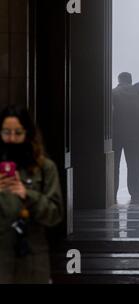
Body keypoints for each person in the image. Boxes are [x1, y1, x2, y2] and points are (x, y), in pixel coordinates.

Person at [0, 105, 64, 283]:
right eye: (6, 133)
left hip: (32, 260)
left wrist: (26, 194)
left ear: (27, 134)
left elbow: (55, 214)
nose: (11, 139)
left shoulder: (45, 168)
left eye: (18, 133)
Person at [112, 73, 139, 201]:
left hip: (116, 136)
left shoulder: (113, 94)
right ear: (131, 80)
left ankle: (112, 191)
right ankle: (135, 192)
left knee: (114, 165)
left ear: (119, 80)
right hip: (134, 137)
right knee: (134, 165)